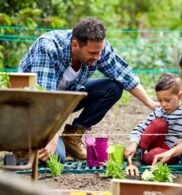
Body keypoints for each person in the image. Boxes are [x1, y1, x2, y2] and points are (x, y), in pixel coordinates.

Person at [18, 17, 158, 162]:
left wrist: (151, 104)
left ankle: (71, 138)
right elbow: (43, 98)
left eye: (99, 52)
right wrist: (52, 136)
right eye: (92, 53)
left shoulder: (97, 48)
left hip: (64, 101)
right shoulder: (48, 47)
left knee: (113, 88)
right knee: (56, 157)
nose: (98, 57)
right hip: (31, 107)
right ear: (75, 45)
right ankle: (25, 142)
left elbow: (124, 76)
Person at [125, 73, 182, 165]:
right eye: (160, 100)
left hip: (172, 152)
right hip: (157, 144)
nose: (163, 104)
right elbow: (139, 128)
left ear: (180, 96)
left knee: (153, 155)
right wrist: (133, 143)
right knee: (159, 123)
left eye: (167, 100)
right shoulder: (160, 111)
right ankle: (138, 153)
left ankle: (143, 158)